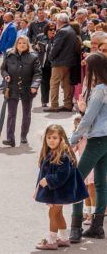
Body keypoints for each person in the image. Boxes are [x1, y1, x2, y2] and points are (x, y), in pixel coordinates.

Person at [69, 52, 107, 243]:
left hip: (98, 138)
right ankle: (97, 226)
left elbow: (88, 119)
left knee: (77, 180)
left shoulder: (100, 89)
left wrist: (72, 140)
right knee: (100, 183)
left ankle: (75, 227)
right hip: (104, 138)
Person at [34, 124, 89, 249]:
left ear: (61, 139)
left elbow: (61, 176)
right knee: (58, 214)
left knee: (52, 214)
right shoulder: (51, 152)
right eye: (48, 138)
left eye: (54, 138)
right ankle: (64, 238)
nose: (51, 140)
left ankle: (51, 241)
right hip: (57, 192)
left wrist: (48, 180)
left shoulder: (64, 156)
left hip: (61, 192)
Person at [0, 36, 41, 147]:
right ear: (16, 44)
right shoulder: (9, 54)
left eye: (24, 43)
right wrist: (6, 76)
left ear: (28, 45)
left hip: (27, 88)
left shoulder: (33, 57)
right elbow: (3, 69)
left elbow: (37, 73)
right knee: (11, 114)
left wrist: (35, 85)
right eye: (20, 43)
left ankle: (23, 135)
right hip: (12, 88)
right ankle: (10, 138)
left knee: (26, 114)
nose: (22, 45)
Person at [47, 13, 79, 112]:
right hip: (69, 62)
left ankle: (54, 105)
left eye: (56, 20)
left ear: (60, 21)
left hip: (60, 62)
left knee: (54, 83)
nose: (56, 22)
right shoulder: (70, 30)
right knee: (66, 84)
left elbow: (56, 47)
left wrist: (50, 58)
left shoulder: (62, 31)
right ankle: (67, 104)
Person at [72, 115, 97, 226]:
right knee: (85, 191)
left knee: (92, 190)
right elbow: (72, 150)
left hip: (93, 167)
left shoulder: (91, 137)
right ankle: (87, 213)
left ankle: (93, 214)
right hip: (83, 167)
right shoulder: (79, 139)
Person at [35, 23, 56, 108]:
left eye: (54, 29)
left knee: (54, 83)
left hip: (54, 64)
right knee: (44, 82)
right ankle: (44, 101)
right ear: (46, 30)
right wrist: (35, 47)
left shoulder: (58, 38)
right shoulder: (40, 37)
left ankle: (54, 101)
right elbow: (32, 45)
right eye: (51, 29)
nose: (53, 31)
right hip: (44, 63)